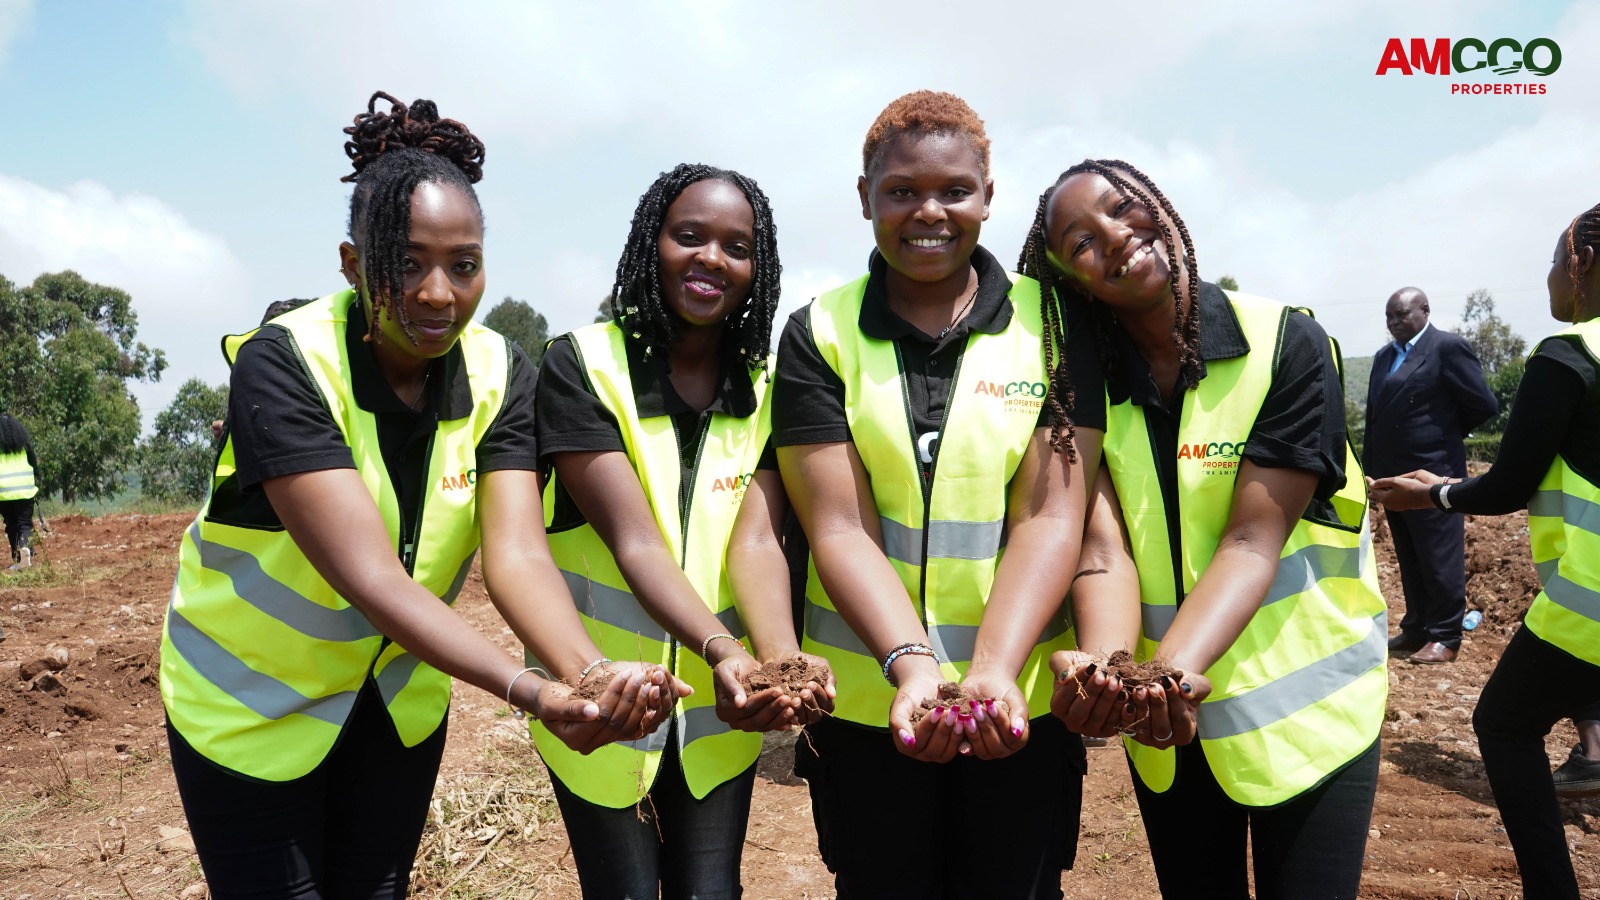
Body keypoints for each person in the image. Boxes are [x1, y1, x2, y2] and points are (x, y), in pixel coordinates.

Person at [157, 92, 681, 900]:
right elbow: (370, 578)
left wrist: (590, 675)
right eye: (406, 262)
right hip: (247, 703)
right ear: (351, 262)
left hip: (393, 705)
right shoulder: (285, 364)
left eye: (463, 264)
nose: (439, 292)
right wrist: (530, 691)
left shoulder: (502, 372)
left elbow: (514, 553)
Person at [1025, 159, 1388, 900]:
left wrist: (1163, 677)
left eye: (1124, 209)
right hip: (1166, 732)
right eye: (1083, 241)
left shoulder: (1286, 342)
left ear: (1159, 203)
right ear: (1069, 279)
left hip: (1307, 722)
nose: (1118, 238)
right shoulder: (1076, 390)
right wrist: (1106, 667)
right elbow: (1103, 553)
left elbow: (1253, 541)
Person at [775, 91, 1107, 899]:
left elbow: (1051, 513)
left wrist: (992, 670)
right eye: (900, 191)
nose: (929, 211)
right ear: (865, 199)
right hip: (866, 709)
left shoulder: (1056, 323)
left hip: (1018, 703)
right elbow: (838, 527)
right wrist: (912, 667)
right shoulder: (819, 332)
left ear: (988, 197)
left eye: (955, 190)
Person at [532, 162, 829, 900]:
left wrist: (780, 667)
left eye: (736, 246)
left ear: (758, 269)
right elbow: (634, 541)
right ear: (650, 242)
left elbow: (758, 541)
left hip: (717, 718)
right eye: (688, 236)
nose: (711, 259)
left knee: (710, 890)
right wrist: (728, 651)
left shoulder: (765, 386)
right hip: (602, 697)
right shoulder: (582, 366)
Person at [1371, 201, 1600, 899]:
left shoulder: (1569, 358)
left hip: (1588, 605)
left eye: (1553, 264)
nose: (1551, 280)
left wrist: (1433, 492)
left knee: (1502, 724)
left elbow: (1507, 486)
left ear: (1581, 262)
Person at [1365, 287, 1497, 664]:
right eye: (1389, 317)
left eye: (1401, 315)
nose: (1394, 323)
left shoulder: (1446, 348)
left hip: (1433, 471)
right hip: (1393, 474)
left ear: (1424, 310)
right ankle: (1417, 628)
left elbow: (1482, 404)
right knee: (1409, 553)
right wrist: (1370, 468)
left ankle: (1445, 635)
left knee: (1439, 554)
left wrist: (1443, 434)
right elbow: (1374, 416)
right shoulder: (1383, 357)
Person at [0, 413, 38, 573]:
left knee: (11, 524)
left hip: (3, 493)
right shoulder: (24, 446)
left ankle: (18, 558)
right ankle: (25, 549)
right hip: (24, 490)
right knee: (25, 524)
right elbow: (34, 465)